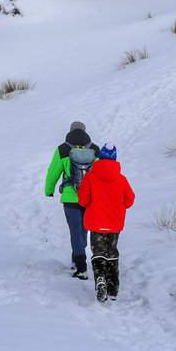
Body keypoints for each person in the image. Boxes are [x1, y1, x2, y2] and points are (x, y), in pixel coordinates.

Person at [78, 142, 135, 303]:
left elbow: (83, 200)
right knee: (112, 253)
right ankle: (113, 288)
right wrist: (118, 206)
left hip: (96, 223)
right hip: (114, 224)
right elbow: (130, 200)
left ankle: (100, 279)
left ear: (100, 156)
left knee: (98, 253)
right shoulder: (121, 179)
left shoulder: (90, 177)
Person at [44, 121, 100, 280]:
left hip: (70, 197)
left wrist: (49, 190)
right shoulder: (94, 149)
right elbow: (100, 173)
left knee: (75, 230)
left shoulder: (63, 149)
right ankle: (78, 257)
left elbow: (53, 172)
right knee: (83, 230)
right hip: (89, 198)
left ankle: (80, 266)